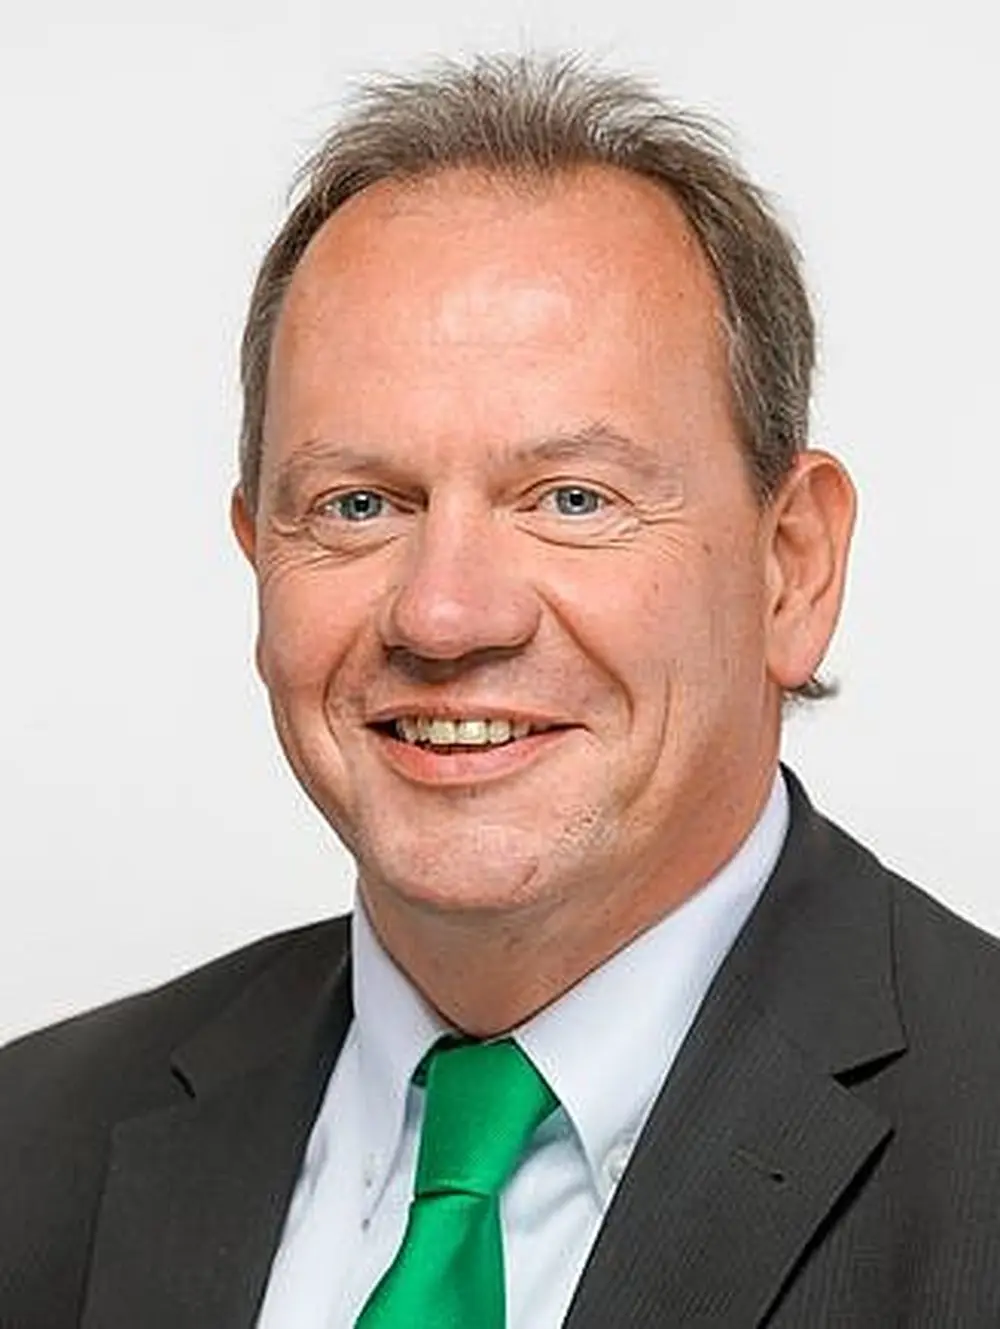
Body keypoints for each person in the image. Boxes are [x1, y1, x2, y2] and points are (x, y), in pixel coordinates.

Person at [2, 52, 999, 1329]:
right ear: (259, 557)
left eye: (571, 499)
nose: (443, 613)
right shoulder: (32, 1147)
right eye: (358, 505)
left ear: (791, 567)